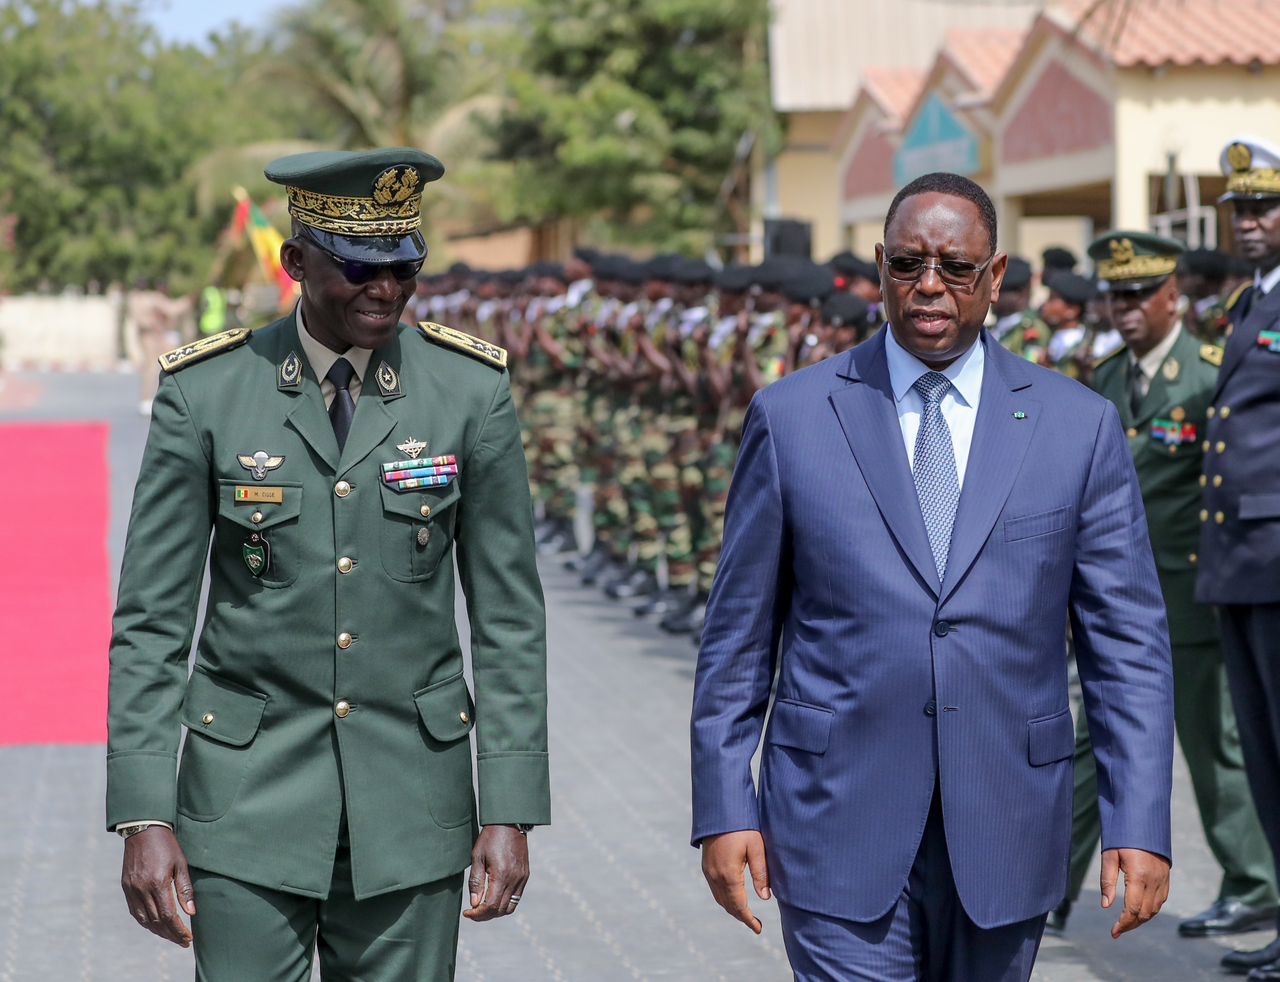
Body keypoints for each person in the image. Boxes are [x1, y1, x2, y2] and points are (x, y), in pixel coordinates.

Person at [690, 171, 1174, 981]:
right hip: (835, 816)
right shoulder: (795, 416)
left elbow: (1128, 647)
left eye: (955, 268)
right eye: (908, 263)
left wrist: (1142, 821)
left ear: (996, 278)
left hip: (1007, 822)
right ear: (879, 265)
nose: (929, 286)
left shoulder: (1076, 426)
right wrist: (724, 805)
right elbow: (736, 637)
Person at [106, 148, 550, 981]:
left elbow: (510, 619)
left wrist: (513, 808)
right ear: (297, 262)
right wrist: (142, 815)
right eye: (359, 268)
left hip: (411, 806)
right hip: (244, 804)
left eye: (406, 268)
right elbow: (151, 622)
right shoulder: (206, 392)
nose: (386, 291)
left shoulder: (468, 391)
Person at [1050, 231, 1277, 937]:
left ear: (1172, 295)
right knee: (1088, 742)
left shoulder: (1211, 374)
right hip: (1117, 602)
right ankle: (1050, 886)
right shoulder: (1109, 379)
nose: (1123, 309)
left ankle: (1253, 882)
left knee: (1216, 745)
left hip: (1192, 593)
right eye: (1114, 295)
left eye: (1137, 295)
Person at [1199, 136, 1280, 981]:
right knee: (1263, 755)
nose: (1249, 222)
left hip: (1275, 555)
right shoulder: (1247, 303)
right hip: (1242, 561)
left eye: (1263, 207)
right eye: (1240, 210)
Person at [988, 256, 1049, 362]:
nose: (991, 295)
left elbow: (1027, 370)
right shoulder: (993, 328)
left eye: (1000, 291)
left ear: (1021, 294)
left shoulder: (1032, 330)